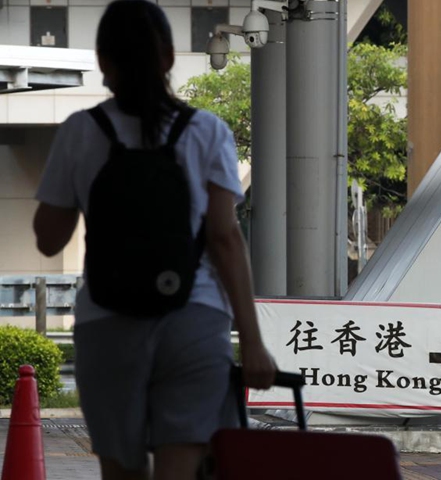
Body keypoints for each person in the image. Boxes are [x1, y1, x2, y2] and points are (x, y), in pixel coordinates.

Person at [32, 1, 277, 478]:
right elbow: (225, 239)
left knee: (120, 472)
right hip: (193, 319)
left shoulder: (81, 133)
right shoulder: (206, 131)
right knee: (180, 469)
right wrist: (251, 342)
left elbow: (47, 239)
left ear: (103, 62)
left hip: (107, 322)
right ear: (167, 58)